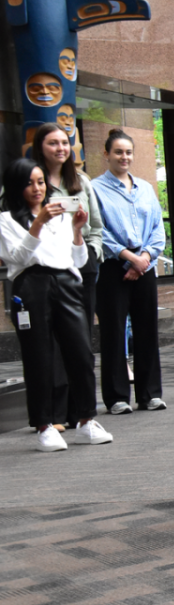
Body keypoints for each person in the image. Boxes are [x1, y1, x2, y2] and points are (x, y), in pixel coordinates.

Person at [0, 158, 112, 452]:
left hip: (68, 282)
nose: (37, 188)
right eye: (29, 183)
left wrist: (77, 231)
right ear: (16, 186)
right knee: (39, 357)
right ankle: (44, 425)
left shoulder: (61, 216)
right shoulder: (6, 220)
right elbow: (19, 258)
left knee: (81, 352)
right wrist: (38, 223)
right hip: (31, 285)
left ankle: (87, 420)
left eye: (40, 182)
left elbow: (78, 261)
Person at [30, 122, 103, 431]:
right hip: (44, 267)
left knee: (79, 341)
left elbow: (97, 224)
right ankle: (54, 414)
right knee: (50, 345)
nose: (60, 148)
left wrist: (94, 251)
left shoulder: (81, 181)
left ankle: (80, 412)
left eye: (64, 143)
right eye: (53, 143)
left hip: (80, 262)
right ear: (40, 147)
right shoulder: (31, 180)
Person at [92, 129, 168, 414]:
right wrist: (129, 259)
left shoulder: (146, 188)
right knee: (113, 331)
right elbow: (97, 230)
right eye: (118, 152)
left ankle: (150, 394)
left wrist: (144, 258)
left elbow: (158, 230)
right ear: (106, 154)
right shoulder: (95, 189)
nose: (124, 157)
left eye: (128, 152)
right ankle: (117, 397)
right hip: (113, 268)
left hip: (145, 266)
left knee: (147, 329)